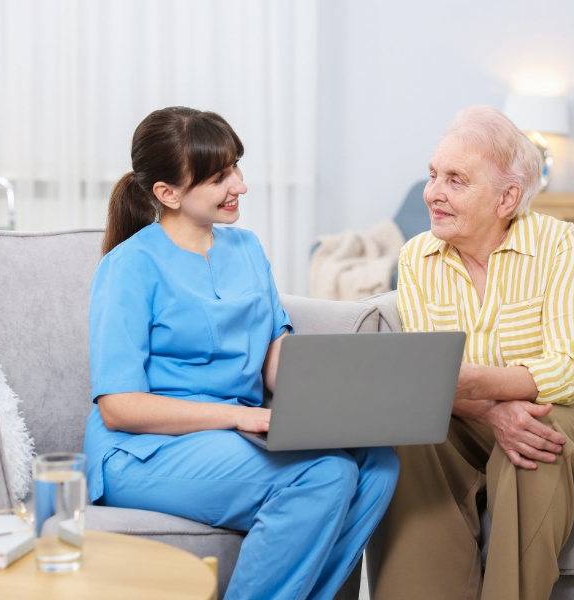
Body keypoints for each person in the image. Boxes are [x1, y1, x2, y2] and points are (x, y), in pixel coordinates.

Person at [83, 106, 399, 600]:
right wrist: (237, 418)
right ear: (168, 194)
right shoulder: (129, 267)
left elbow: (274, 354)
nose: (240, 185)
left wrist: (340, 397)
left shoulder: (246, 248)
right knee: (326, 474)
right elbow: (120, 407)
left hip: (236, 433)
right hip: (143, 451)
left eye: (235, 167)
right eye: (218, 177)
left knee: (379, 462)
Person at [372, 105, 574, 600]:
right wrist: (489, 408)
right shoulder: (418, 257)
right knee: (411, 437)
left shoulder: (558, 245)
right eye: (433, 174)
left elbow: (565, 374)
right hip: (479, 422)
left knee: (531, 438)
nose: (433, 193)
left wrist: (471, 387)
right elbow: (430, 385)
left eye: (456, 180)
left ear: (507, 198)